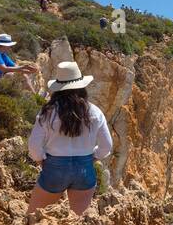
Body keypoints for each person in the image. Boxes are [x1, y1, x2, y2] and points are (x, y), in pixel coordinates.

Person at [26, 61, 112, 216]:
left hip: (54, 168)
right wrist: (92, 158)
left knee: (33, 218)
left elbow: (33, 145)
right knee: (78, 224)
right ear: (82, 87)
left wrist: (41, 161)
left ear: (58, 89)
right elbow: (106, 146)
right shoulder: (95, 112)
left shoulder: (48, 113)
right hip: (84, 170)